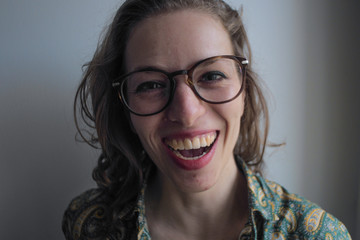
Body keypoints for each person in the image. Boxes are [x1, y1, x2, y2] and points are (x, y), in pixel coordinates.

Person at [62, 0, 351, 239]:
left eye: (212, 76)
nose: (187, 113)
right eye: (151, 85)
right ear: (124, 107)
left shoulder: (317, 233)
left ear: (244, 90)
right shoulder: (89, 225)